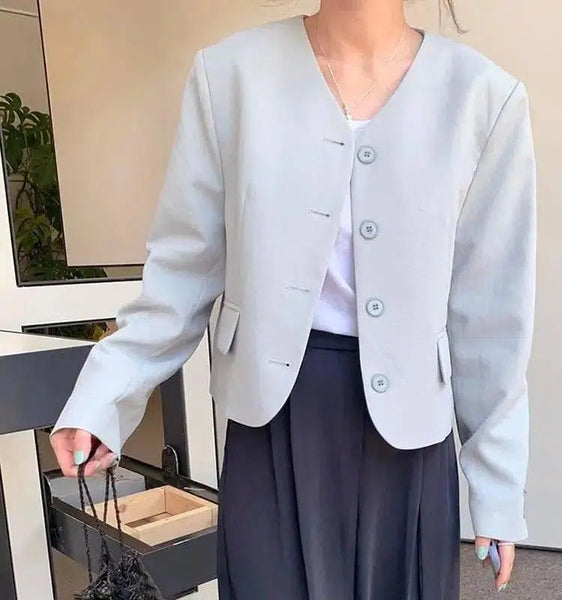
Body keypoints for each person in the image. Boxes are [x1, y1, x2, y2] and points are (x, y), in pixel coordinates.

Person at [50, 1, 537, 598]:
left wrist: (496, 485)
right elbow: (181, 271)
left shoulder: (485, 98)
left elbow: (490, 316)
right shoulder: (230, 77)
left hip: (409, 434)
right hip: (273, 422)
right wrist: (104, 398)